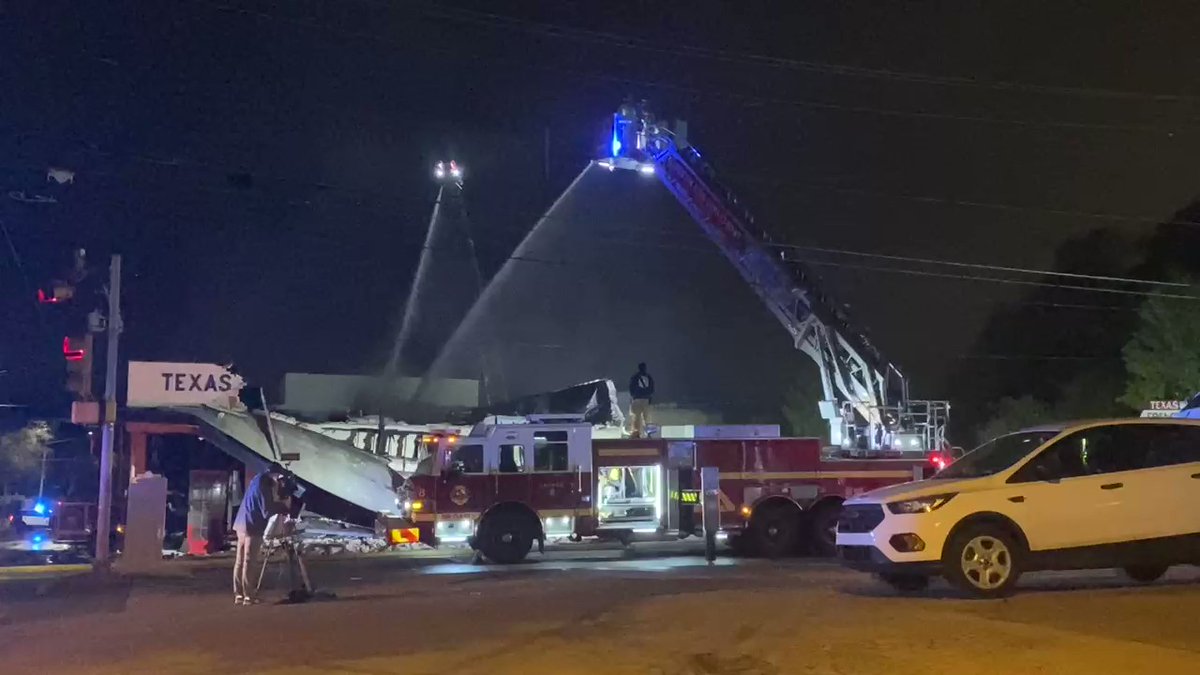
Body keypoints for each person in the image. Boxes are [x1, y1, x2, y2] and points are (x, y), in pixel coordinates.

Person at [232, 464, 286, 606]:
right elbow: (266, 511)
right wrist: (282, 506)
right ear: (274, 475)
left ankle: (239, 595)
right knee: (249, 561)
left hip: (241, 522)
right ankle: (249, 596)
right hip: (252, 525)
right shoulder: (265, 486)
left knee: (240, 560)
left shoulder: (257, 479)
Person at [628, 362, 655, 438]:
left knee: (636, 417)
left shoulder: (635, 377)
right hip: (646, 399)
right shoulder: (649, 377)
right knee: (647, 418)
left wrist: (633, 395)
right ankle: (649, 433)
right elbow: (652, 388)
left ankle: (636, 433)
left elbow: (631, 387)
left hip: (637, 399)